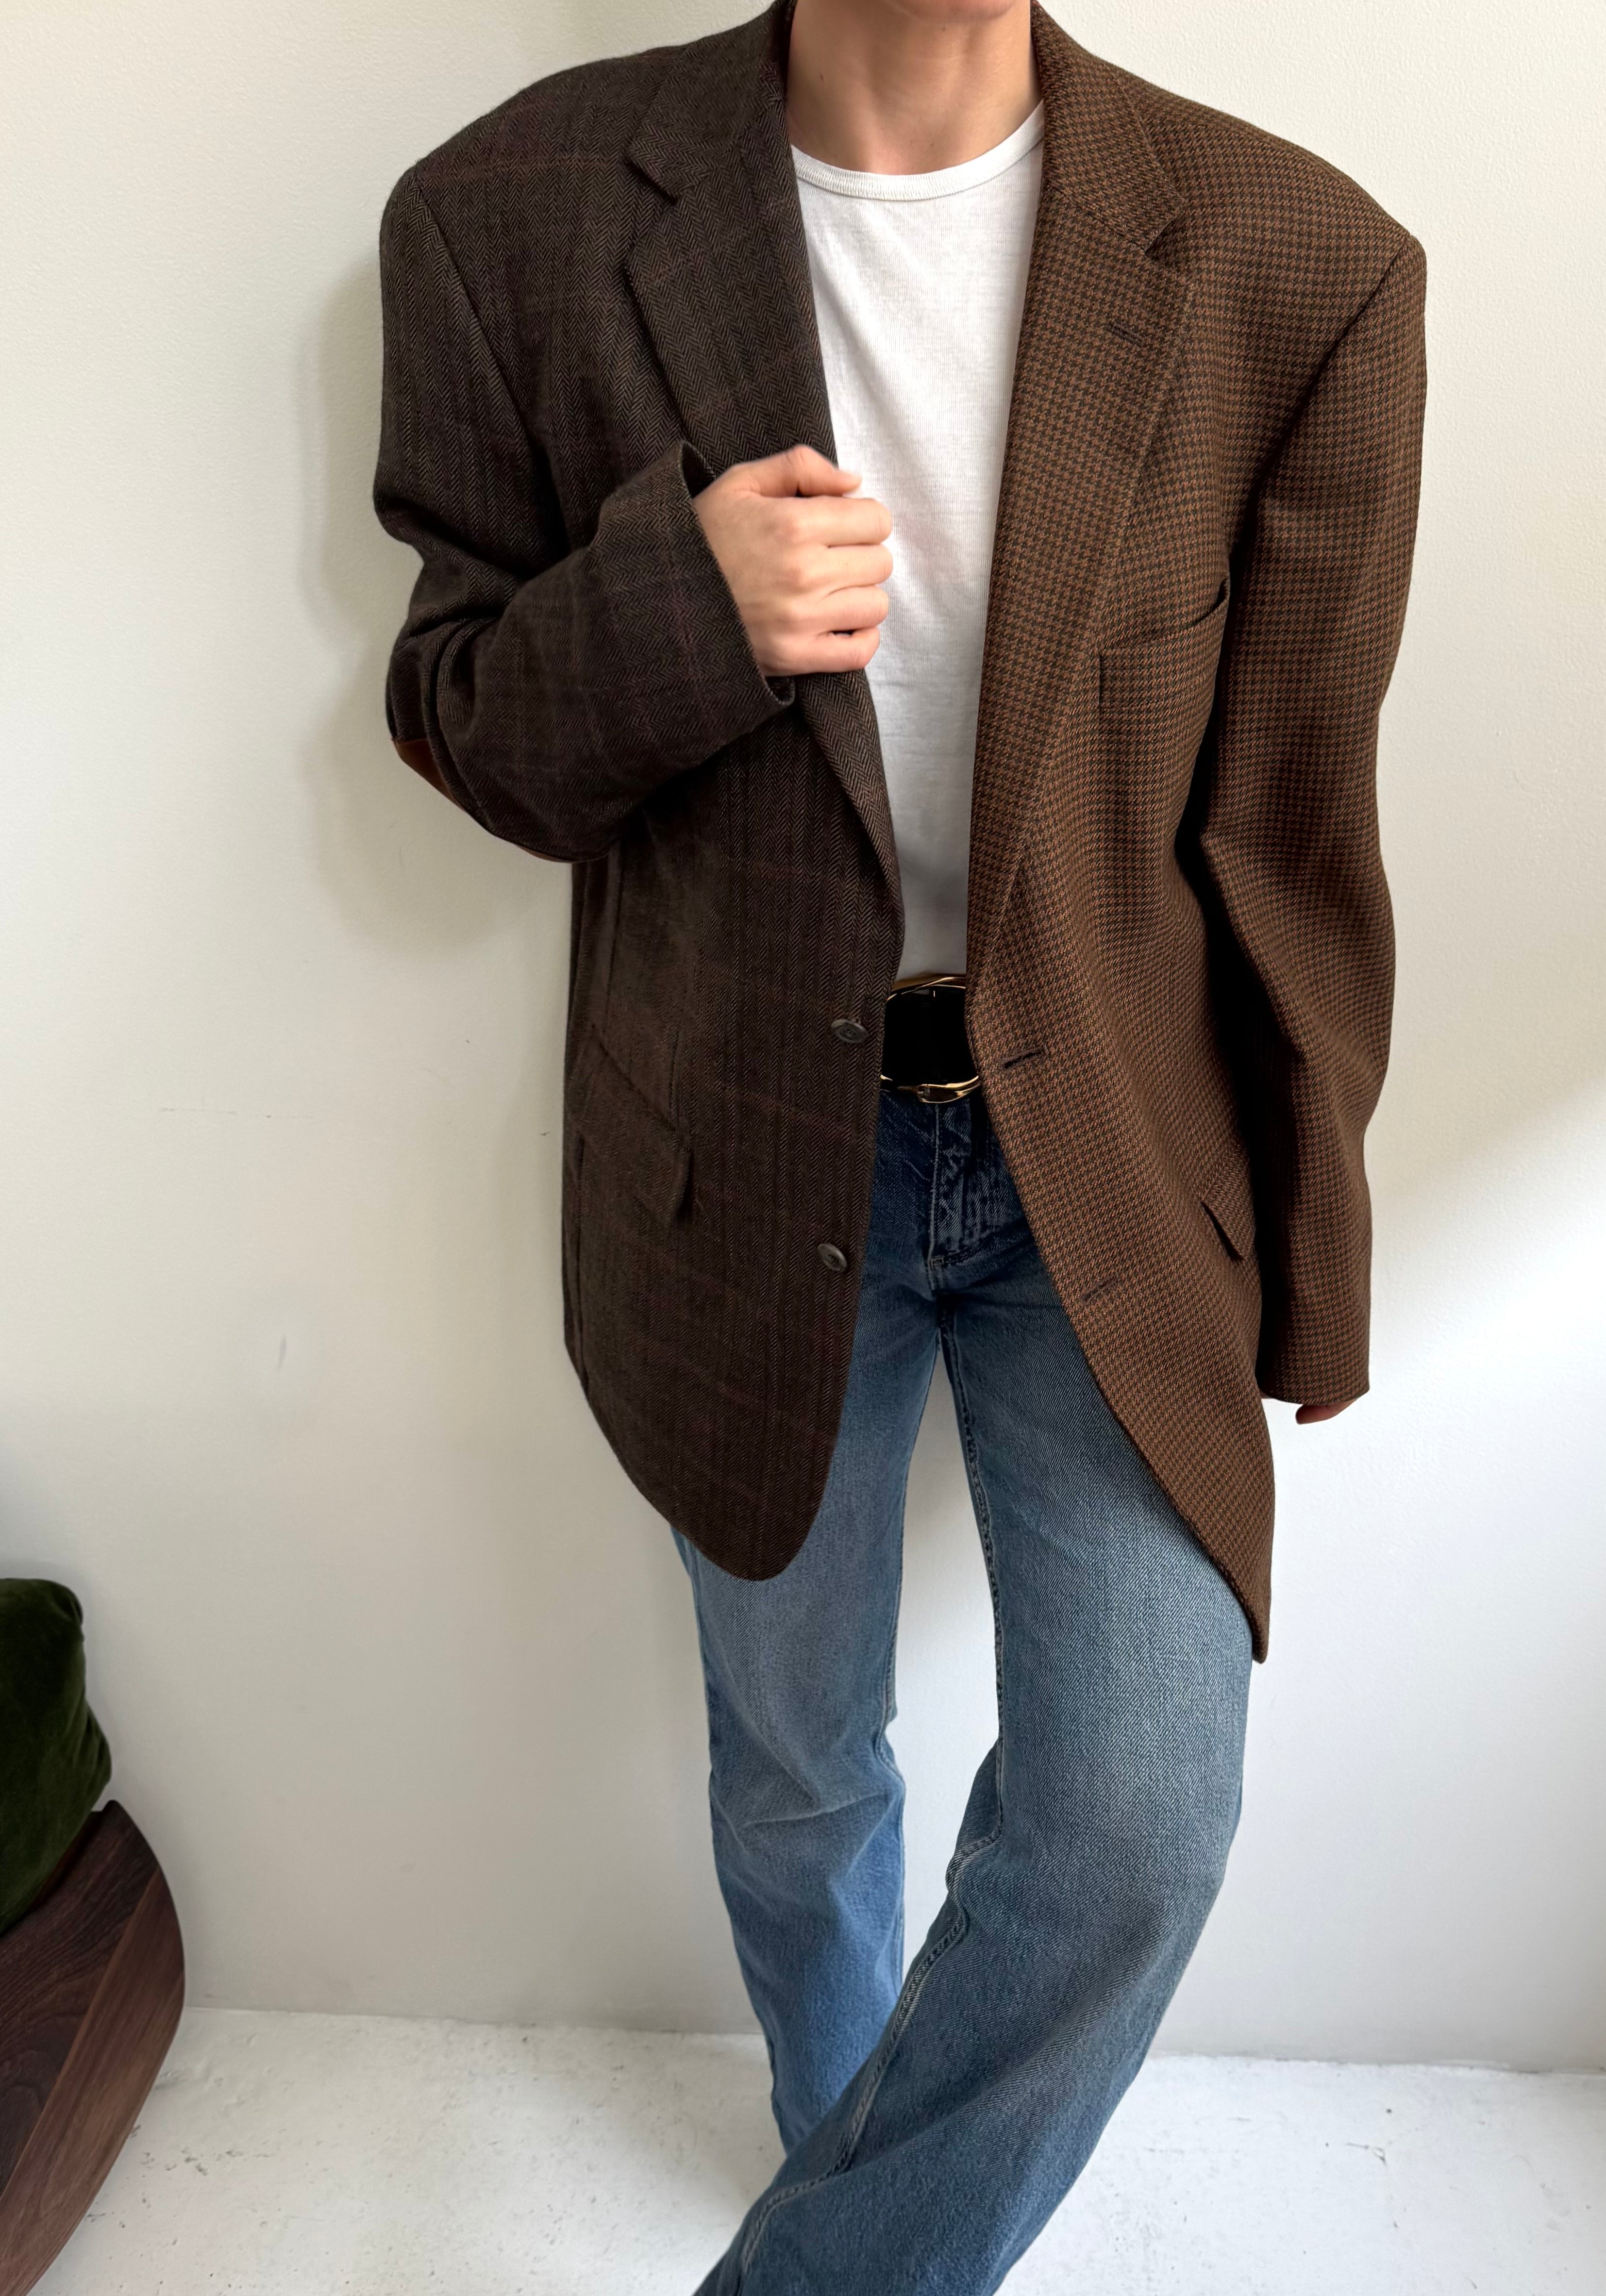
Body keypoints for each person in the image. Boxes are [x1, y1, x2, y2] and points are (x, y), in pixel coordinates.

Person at [371, 0, 1426, 2284]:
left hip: (1108, 1167)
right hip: (737, 1154)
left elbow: (1290, 833)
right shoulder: (502, 217)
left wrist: (1315, 1268)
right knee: (797, 1764)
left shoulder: (1297, 263)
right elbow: (458, 716)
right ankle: (844, 2149)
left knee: (1137, 1821)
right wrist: (680, 603)